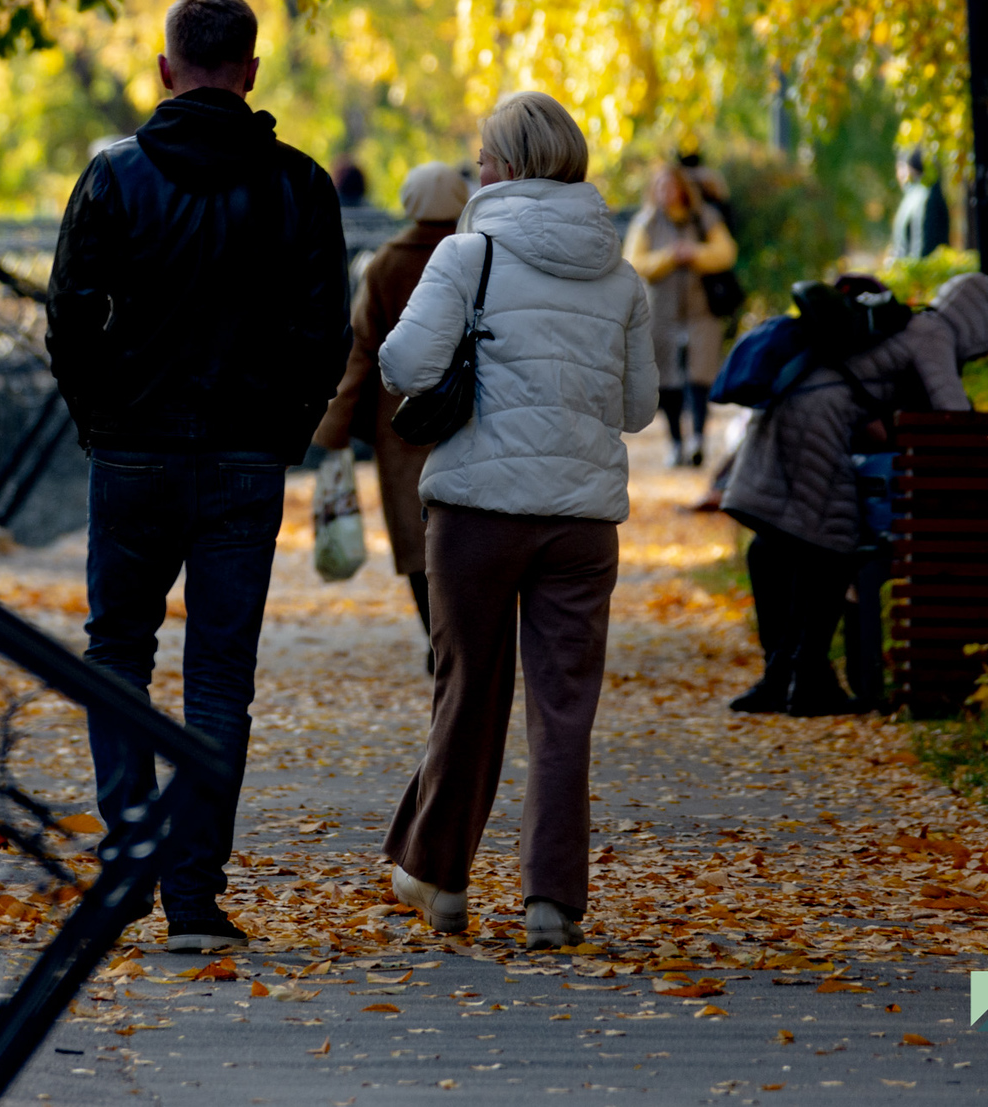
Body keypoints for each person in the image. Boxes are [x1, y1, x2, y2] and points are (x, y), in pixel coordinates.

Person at [46, 0, 350, 955]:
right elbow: (324, 335)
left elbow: (67, 318)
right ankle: (194, 894)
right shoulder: (301, 187)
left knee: (116, 654)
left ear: (166, 68)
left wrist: (103, 418)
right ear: (252, 71)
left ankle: (130, 854)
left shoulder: (114, 179)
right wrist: (282, 431)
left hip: (133, 451)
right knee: (221, 675)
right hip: (243, 461)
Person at [377, 91, 657, 951]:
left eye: (483, 157)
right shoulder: (622, 275)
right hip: (580, 521)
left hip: (477, 511)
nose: (476, 170)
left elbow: (403, 362)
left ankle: (442, 878)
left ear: (504, 166)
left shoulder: (469, 255)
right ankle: (552, 903)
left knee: (470, 691)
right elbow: (639, 407)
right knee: (564, 709)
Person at [720, 270, 988, 716]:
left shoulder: (903, 325)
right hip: (816, 424)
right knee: (833, 545)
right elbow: (954, 416)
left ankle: (781, 678)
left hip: (785, 411)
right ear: (978, 322)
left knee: (780, 545)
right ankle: (808, 680)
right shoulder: (933, 331)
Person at [309, 159, 470, 666]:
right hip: (470, 409)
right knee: (469, 526)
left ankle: (434, 637)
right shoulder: (480, 256)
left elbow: (361, 349)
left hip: (400, 420)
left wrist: (333, 427)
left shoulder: (384, 264)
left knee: (414, 533)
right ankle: (466, 633)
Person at [622, 160, 738, 467]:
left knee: (700, 375)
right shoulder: (646, 222)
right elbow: (634, 263)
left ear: (682, 189)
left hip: (701, 311)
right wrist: (669, 258)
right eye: (661, 187)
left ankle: (698, 437)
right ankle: (675, 441)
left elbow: (726, 253)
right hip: (661, 313)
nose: (667, 192)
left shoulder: (705, 218)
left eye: (671, 186)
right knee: (667, 378)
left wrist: (695, 254)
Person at [890, 148, 951, 258]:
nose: (897, 175)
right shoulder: (923, 194)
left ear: (908, 168)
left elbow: (920, 242)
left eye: (899, 167)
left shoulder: (919, 197)